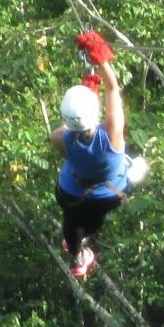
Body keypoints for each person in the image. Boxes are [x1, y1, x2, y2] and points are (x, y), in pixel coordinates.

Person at [51, 32, 145, 279]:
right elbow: (113, 88)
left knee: (72, 220)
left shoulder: (61, 139)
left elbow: (71, 127)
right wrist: (100, 56)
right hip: (108, 194)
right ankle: (79, 242)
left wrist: (87, 90)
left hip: (70, 194)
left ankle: (78, 253)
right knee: (136, 166)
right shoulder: (113, 133)